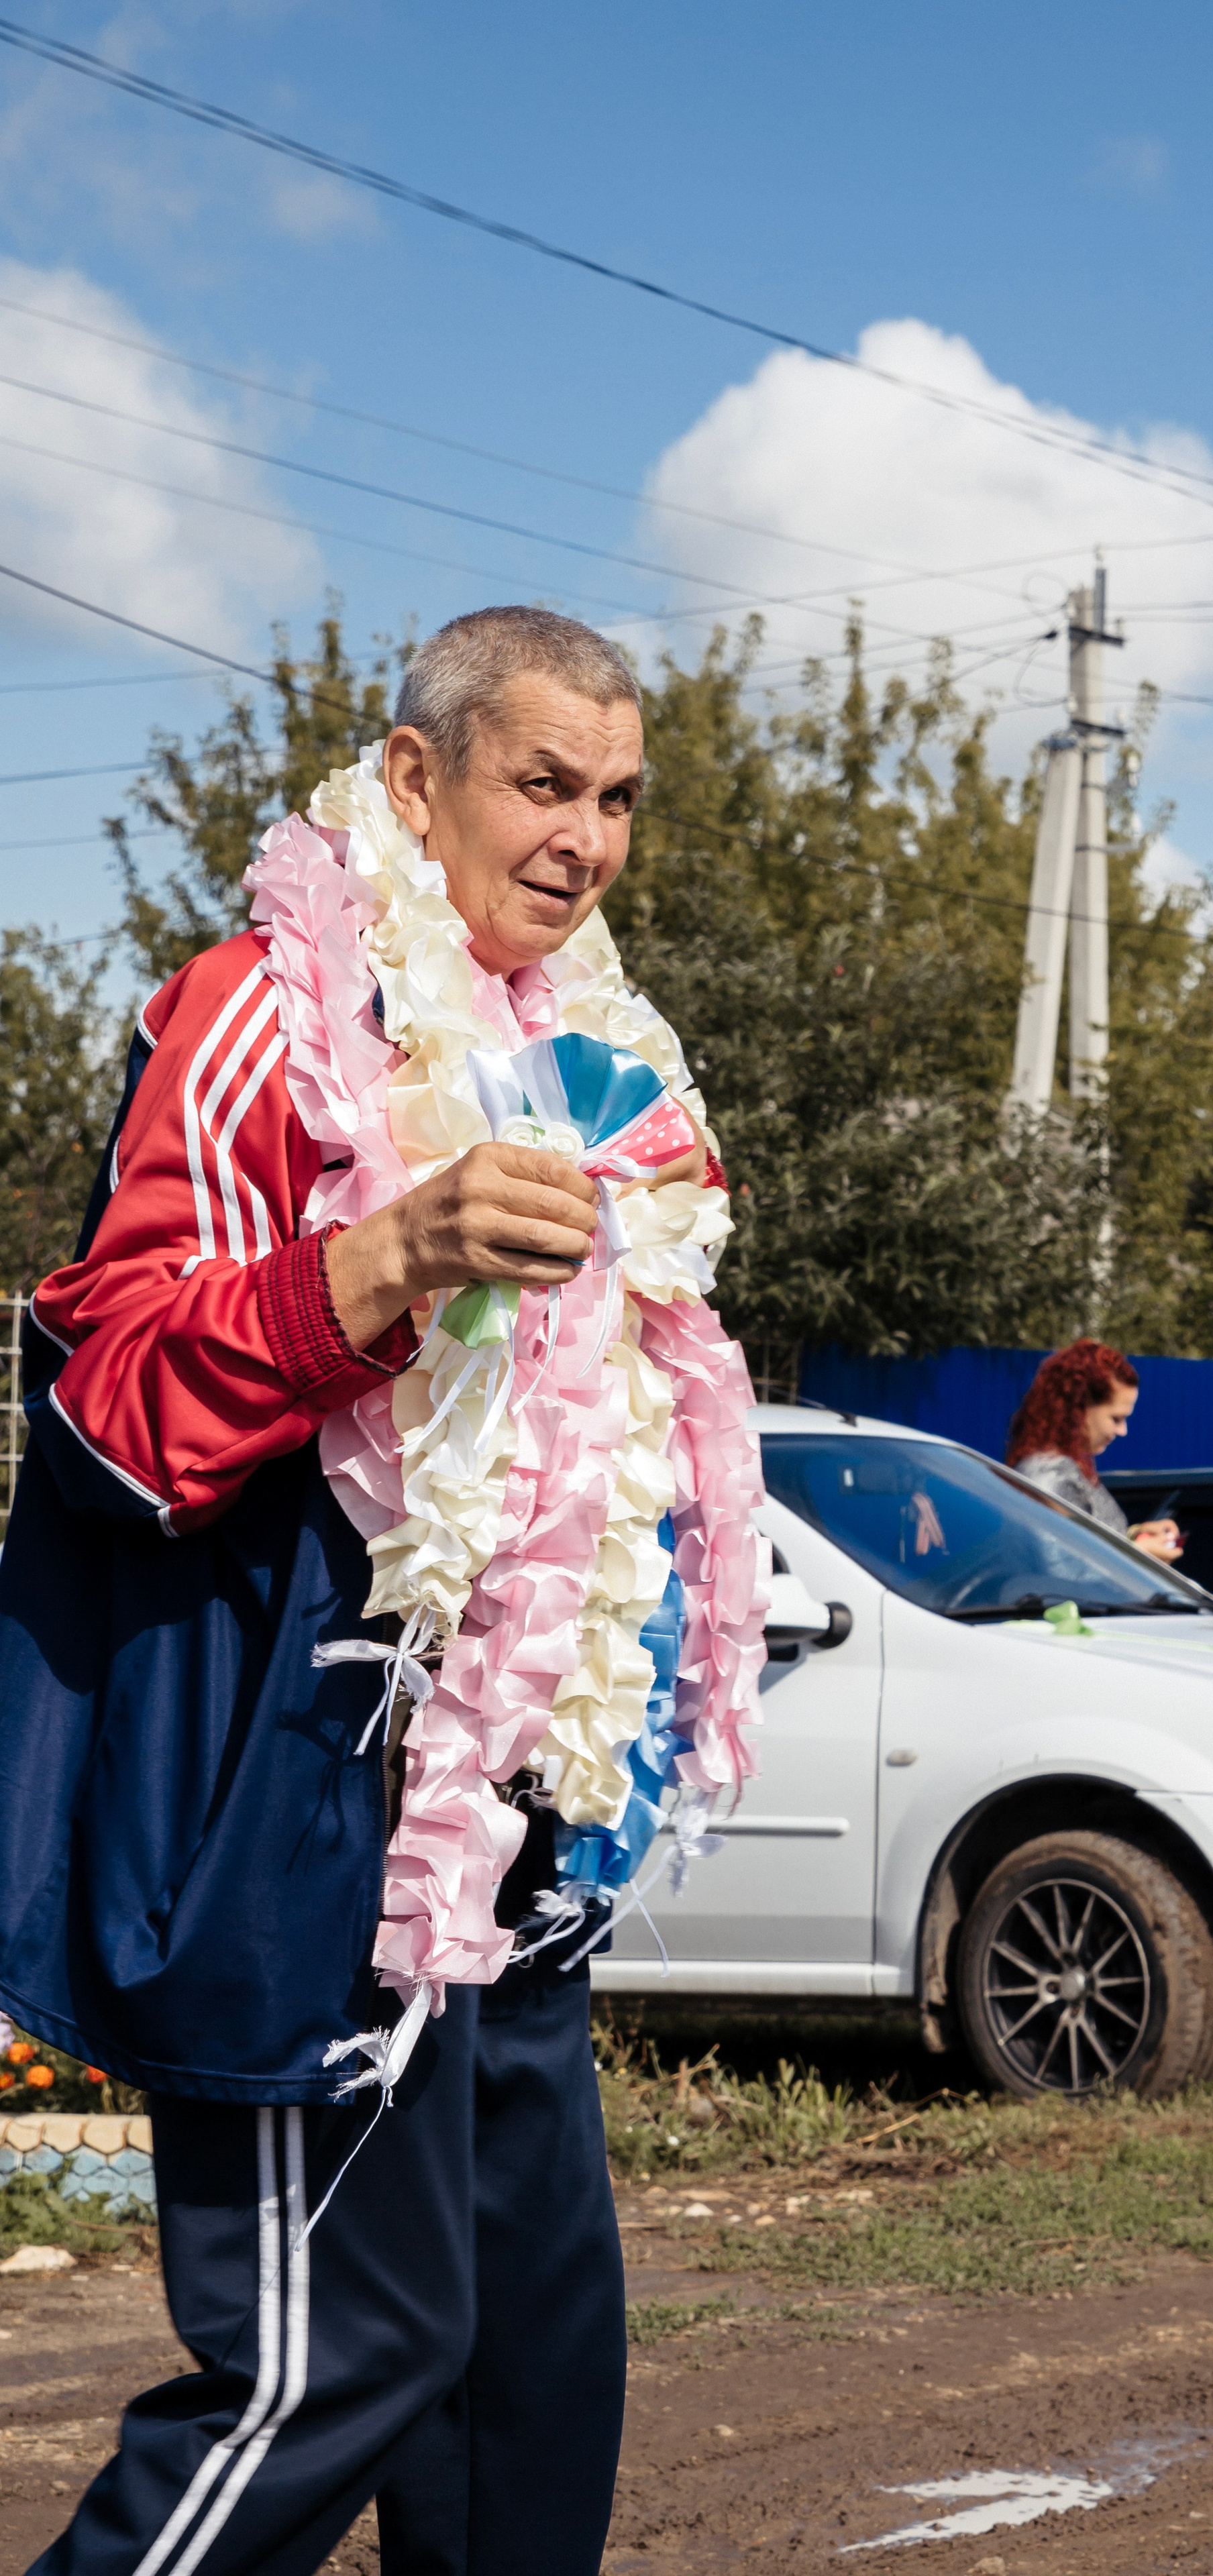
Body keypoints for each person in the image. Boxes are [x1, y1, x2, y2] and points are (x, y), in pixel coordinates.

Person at [0, 608, 766, 2576]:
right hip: (307, 1815)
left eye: (617, 799)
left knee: (529, 2377)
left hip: (511, 1829)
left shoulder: (587, 1048)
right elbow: (107, 1408)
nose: (586, 838)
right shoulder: (265, 1004)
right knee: (332, 2358)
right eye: (543, 783)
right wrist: (382, 1259)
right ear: (415, 781)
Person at [1006, 1338, 1184, 1562]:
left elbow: (1088, 1545)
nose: (1123, 1431)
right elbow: (1058, 1572)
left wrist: (1136, 1536)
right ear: (1079, 1408)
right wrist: (1137, 1555)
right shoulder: (1046, 1476)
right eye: (1116, 1418)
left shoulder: (1064, 1466)